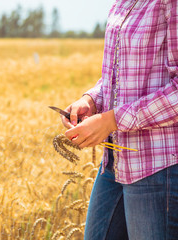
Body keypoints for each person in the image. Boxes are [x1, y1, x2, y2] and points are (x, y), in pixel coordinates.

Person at [61, 0, 178, 239]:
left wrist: (112, 120)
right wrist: (91, 100)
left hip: (158, 166)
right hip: (114, 162)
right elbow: (121, 75)